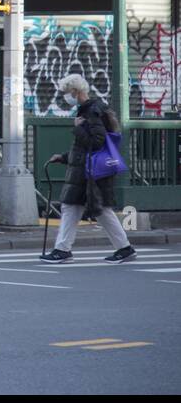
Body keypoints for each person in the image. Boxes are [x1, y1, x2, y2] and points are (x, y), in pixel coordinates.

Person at [41, 74, 136, 264]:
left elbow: (96, 141)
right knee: (96, 209)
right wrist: (65, 157)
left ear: (75, 92)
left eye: (67, 93)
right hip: (89, 170)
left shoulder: (90, 112)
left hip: (90, 172)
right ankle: (124, 248)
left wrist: (77, 129)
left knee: (76, 208)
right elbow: (86, 147)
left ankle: (63, 249)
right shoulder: (92, 109)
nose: (65, 97)